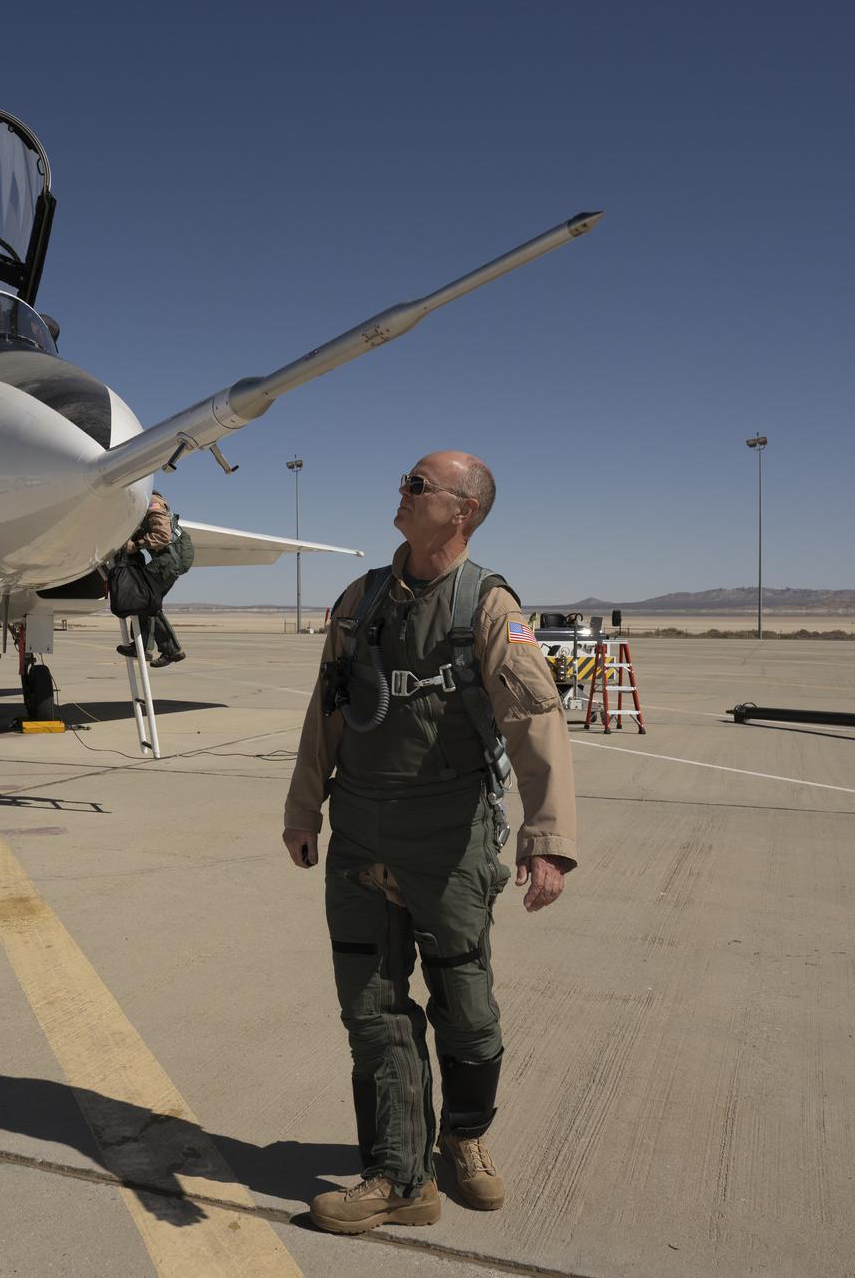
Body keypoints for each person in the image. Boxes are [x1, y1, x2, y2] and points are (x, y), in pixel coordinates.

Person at [281, 450, 578, 1235]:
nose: (401, 492)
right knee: (372, 1011)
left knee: (466, 1008)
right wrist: (304, 807)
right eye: (405, 480)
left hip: (449, 841)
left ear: (462, 509)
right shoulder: (359, 600)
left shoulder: (488, 606)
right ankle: (399, 1177)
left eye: (418, 485)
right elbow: (328, 710)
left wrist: (547, 840)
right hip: (360, 833)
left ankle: (466, 1138)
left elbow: (535, 720)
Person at [114, 492, 195, 668]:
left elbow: (163, 536)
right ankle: (171, 650)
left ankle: (143, 648)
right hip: (170, 558)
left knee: (141, 597)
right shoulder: (141, 507)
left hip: (170, 558)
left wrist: (135, 546)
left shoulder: (151, 502)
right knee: (151, 603)